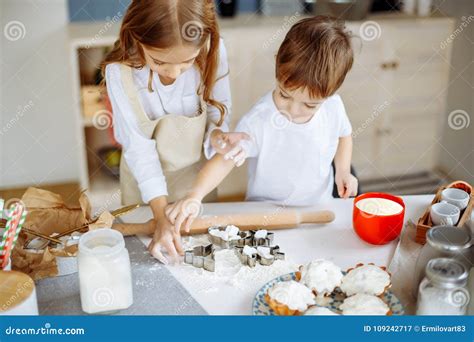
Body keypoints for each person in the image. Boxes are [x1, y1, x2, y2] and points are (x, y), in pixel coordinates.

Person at [166, 16, 358, 234]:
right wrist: (195, 196)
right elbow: (225, 160)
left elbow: (344, 135)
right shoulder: (260, 119)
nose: (293, 111)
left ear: (332, 92)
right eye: (285, 95)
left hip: (319, 209)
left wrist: (343, 170)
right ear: (278, 66)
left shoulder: (333, 106)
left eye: (309, 105)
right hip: (265, 215)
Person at [102, 0, 248, 264]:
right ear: (137, 38)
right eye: (159, 61)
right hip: (143, 188)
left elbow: (218, 114)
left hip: (196, 182)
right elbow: (138, 148)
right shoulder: (119, 73)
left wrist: (217, 136)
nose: (173, 73)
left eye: (187, 62)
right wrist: (160, 217)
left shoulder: (213, 50)